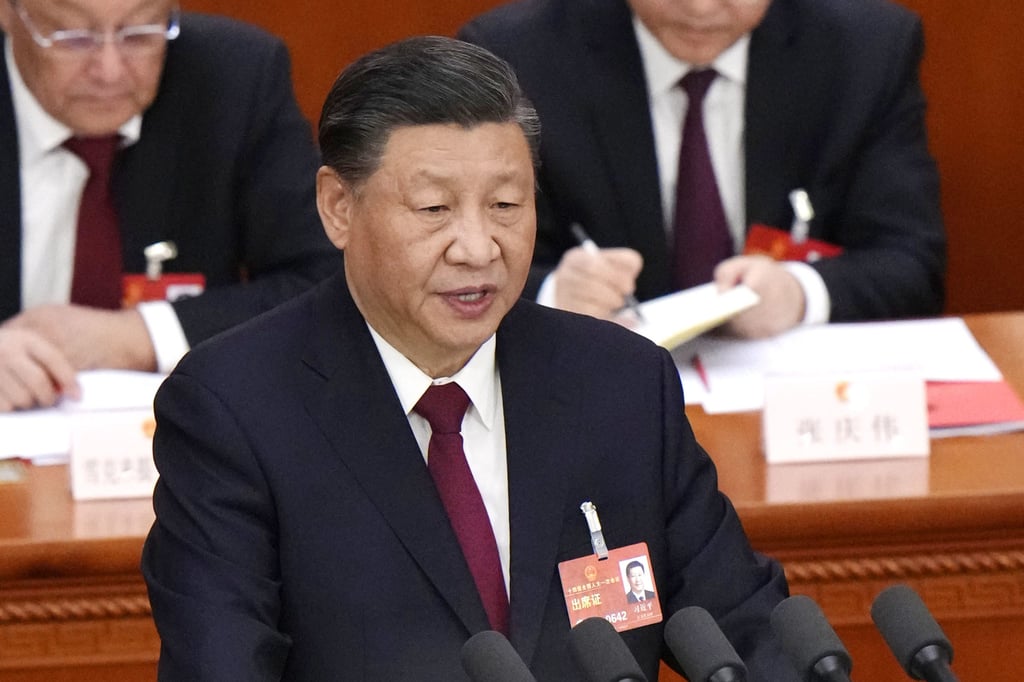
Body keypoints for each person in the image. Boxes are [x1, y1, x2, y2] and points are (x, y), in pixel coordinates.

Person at [141, 36, 799, 681]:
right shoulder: (235, 408)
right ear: (339, 207)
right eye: (434, 210)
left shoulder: (620, 383)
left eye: (506, 206)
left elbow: (741, 626)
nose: (479, 248)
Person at [458, 0, 946, 339]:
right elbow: (459, 260)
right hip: (593, 395)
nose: (700, 10)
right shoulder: (515, 56)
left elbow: (910, 264)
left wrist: (800, 293)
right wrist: (554, 292)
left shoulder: (866, 50)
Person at [0, 0, 337, 411]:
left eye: (140, 34)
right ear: (9, 13)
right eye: (73, 38)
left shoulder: (235, 79)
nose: (109, 71)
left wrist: (139, 336)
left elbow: (328, 280)